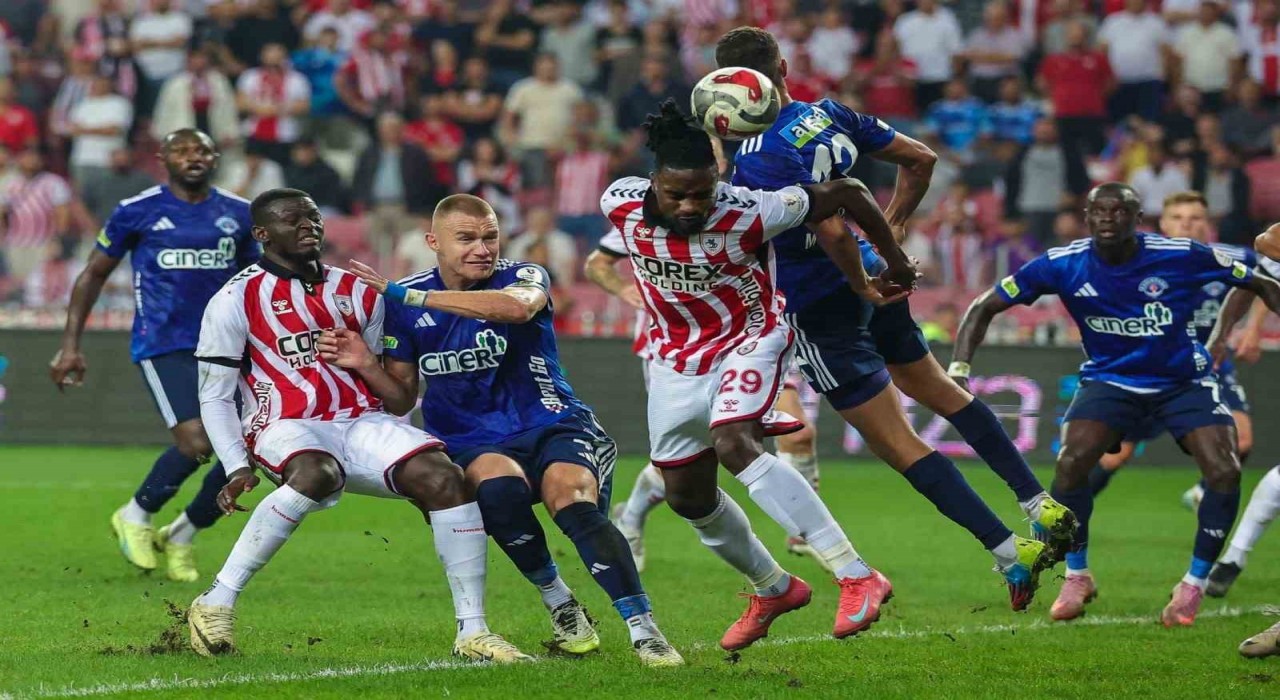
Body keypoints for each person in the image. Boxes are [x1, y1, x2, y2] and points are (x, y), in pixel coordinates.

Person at [714, 26, 1074, 608]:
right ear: (782, 67)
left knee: (898, 442)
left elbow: (828, 228)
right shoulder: (827, 113)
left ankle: (1012, 553)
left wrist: (860, 275)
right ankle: (1037, 501)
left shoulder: (759, 155)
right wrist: (894, 227)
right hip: (876, 272)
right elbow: (919, 158)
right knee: (936, 387)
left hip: (821, 300)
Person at [597, 98, 922, 652]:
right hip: (675, 359)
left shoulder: (753, 209)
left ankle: (856, 573)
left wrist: (890, 258)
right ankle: (773, 587)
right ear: (652, 184)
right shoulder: (618, 201)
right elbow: (599, 258)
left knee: (733, 441)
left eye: (702, 193)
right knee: (685, 496)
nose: (690, 205)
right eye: (677, 194)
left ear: (717, 180)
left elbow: (849, 193)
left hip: (751, 338)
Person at [329, 194, 683, 667]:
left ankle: (646, 630)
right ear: (433, 242)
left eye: (490, 236)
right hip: (471, 438)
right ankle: (560, 602)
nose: (482, 248)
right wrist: (366, 366)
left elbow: (516, 310)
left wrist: (413, 297)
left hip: (550, 420)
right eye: (467, 238)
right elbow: (399, 398)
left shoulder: (522, 276)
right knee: (497, 493)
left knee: (571, 500)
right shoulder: (403, 306)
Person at [185, 188, 527, 663]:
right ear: (262, 234)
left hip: (361, 419)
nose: (308, 226)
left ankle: (473, 632)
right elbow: (215, 394)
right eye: (292, 220)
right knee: (317, 475)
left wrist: (368, 368)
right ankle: (216, 601)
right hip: (285, 423)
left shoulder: (358, 289)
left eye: (312, 216)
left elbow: (395, 390)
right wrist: (234, 464)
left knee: (445, 479)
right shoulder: (234, 299)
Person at [952, 182, 1280, 626]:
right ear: (1087, 219)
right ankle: (1077, 574)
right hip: (1110, 380)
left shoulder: (1181, 253)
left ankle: (1194, 585)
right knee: (1072, 464)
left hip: (1183, 380)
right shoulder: (1063, 263)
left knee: (1224, 469)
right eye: (1098, 211)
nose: (1108, 218)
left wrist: (1231, 330)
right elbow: (984, 305)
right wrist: (958, 369)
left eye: (1118, 210)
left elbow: (1258, 277)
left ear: (1136, 218)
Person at [50, 129, 257, 583]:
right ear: (163, 158)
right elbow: (91, 276)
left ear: (216, 156)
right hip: (164, 343)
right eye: (182, 149)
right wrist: (70, 346)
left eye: (201, 149)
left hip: (229, 346)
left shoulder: (239, 214)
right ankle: (136, 513)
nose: (193, 156)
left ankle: (182, 535)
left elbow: (257, 282)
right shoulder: (136, 211)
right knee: (199, 442)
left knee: (244, 450)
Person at [1086, 193, 1257, 523]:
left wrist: (1252, 330)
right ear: (1163, 224)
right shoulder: (1139, 259)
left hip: (1209, 367)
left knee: (1243, 439)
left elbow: (1266, 277)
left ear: (1207, 225)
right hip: (1151, 370)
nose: (1186, 224)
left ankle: (1201, 493)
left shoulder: (1231, 258)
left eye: (1194, 218)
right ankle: (1063, 514)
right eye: (1178, 217)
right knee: (1115, 455)